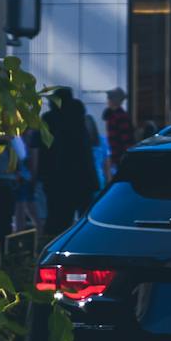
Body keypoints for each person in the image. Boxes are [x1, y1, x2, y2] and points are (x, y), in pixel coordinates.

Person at [34, 88, 102, 240]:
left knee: (57, 221)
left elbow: (43, 149)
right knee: (85, 220)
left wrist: (39, 175)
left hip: (57, 178)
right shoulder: (80, 118)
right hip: (83, 177)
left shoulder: (49, 119)